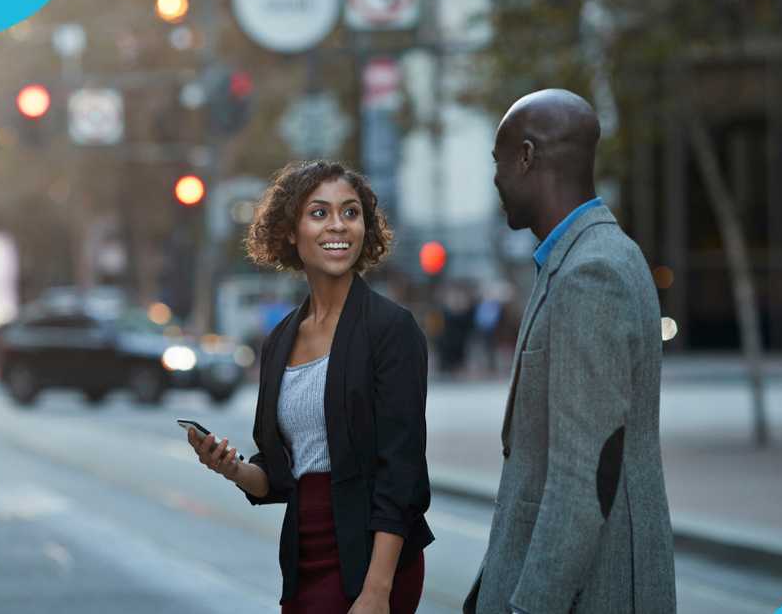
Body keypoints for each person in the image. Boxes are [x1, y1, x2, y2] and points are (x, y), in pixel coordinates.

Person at [187, 160, 434, 614]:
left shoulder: (391, 329)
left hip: (372, 561)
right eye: (319, 213)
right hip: (305, 556)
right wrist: (231, 468)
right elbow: (283, 477)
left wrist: (377, 591)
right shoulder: (280, 339)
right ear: (290, 232)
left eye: (350, 212)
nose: (337, 225)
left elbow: (401, 472)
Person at [464, 89, 675, 614]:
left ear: (528, 157)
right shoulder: (583, 257)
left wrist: (528, 607)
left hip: (590, 594)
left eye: (498, 161)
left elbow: (585, 475)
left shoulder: (590, 274)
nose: (495, 179)